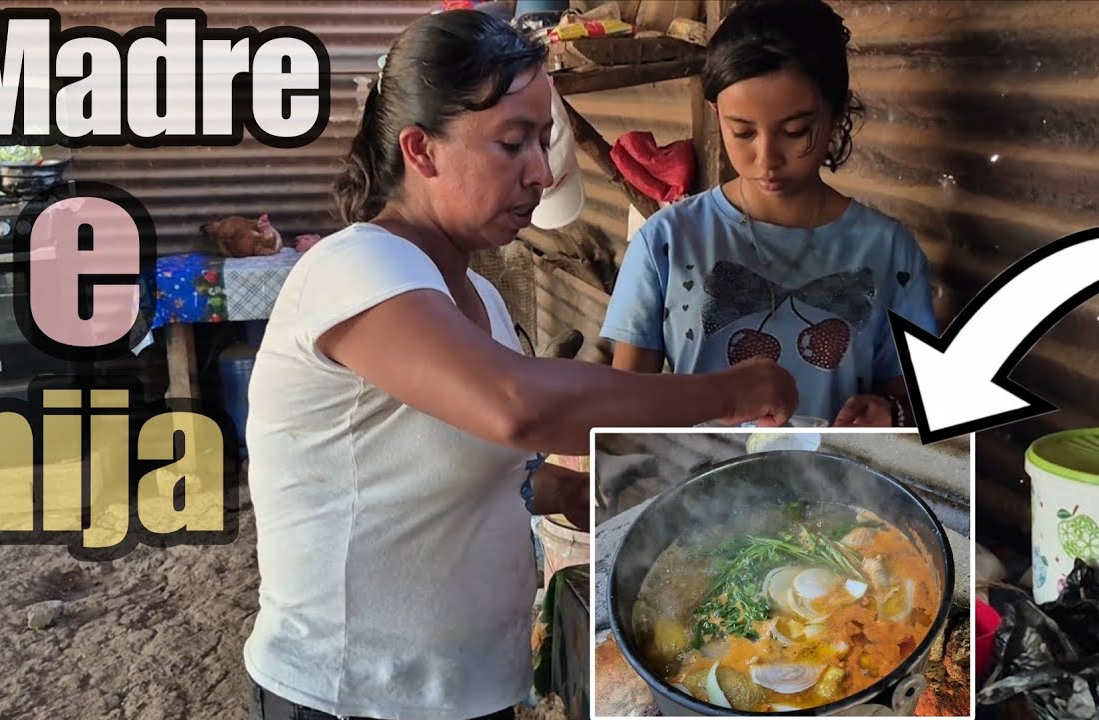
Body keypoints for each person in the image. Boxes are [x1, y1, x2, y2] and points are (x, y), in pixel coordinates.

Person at [241, 10, 798, 720]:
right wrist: (726, 391)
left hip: (470, 694)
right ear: (421, 150)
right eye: (513, 143)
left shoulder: (474, 296)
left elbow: (428, 474)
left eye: (544, 139)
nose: (541, 171)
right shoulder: (352, 269)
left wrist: (565, 497)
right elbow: (517, 407)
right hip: (351, 698)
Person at [600, 0, 938, 427]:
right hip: (700, 488)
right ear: (716, 115)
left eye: (796, 131)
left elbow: (916, 404)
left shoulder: (889, 251)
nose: (766, 159)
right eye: (742, 132)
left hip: (840, 490)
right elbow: (626, 410)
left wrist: (894, 413)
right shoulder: (667, 241)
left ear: (837, 113)